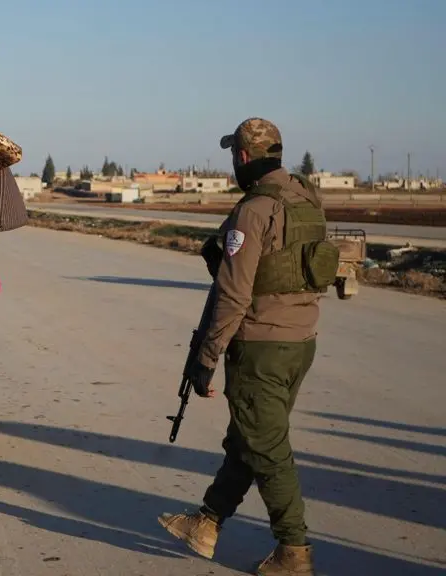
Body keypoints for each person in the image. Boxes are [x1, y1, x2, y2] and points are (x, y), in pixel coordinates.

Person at [157, 118, 338, 576]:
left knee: (267, 446)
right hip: (300, 342)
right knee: (248, 437)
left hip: (260, 345)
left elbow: (234, 295)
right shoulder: (306, 198)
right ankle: (207, 521)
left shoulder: (253, 211)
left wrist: (206, 358)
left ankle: (293, 551)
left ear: (242, 157)